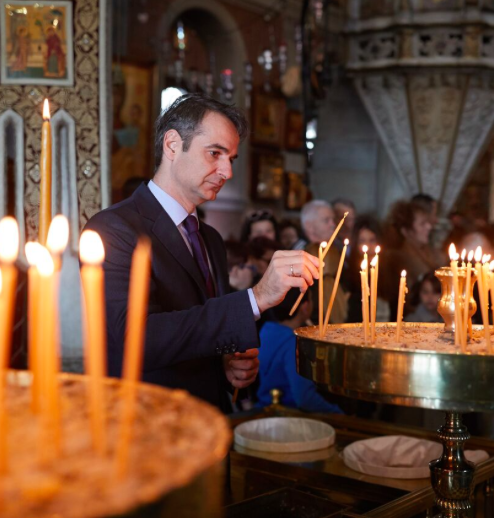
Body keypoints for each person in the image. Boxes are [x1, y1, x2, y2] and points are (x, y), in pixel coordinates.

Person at [87, 94, 320, 412]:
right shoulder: (114, 228)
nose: (227, 171)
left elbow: (199, 331)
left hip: (210, 419)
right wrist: (255, 299)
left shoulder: (209, 238)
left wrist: (225, 366)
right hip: (146, 425)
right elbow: (137, 339)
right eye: (215, 153)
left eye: (231, 158)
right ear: (172, 145)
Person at [256, 289, 343, 413]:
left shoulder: (267, 329)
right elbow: (304, 398)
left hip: (263, 409)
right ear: (305, 307)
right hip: (288, 416)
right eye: (311, 299)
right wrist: (338, 414)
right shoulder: (294, 343)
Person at [301, 200, 347, 324]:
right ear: (309, 226)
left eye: (333, 220)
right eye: (326, 220)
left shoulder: (339, 250)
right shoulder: (298, 254)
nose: (333, 225)